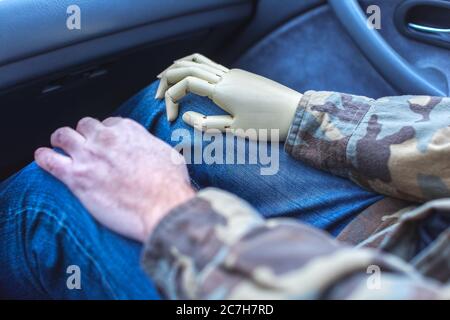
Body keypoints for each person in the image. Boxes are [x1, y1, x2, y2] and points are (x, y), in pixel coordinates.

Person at [0, 54, 449, 299]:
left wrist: (172, 215)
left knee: (47, 201)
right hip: (410, 232)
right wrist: (312, 118)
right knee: (180, 105)